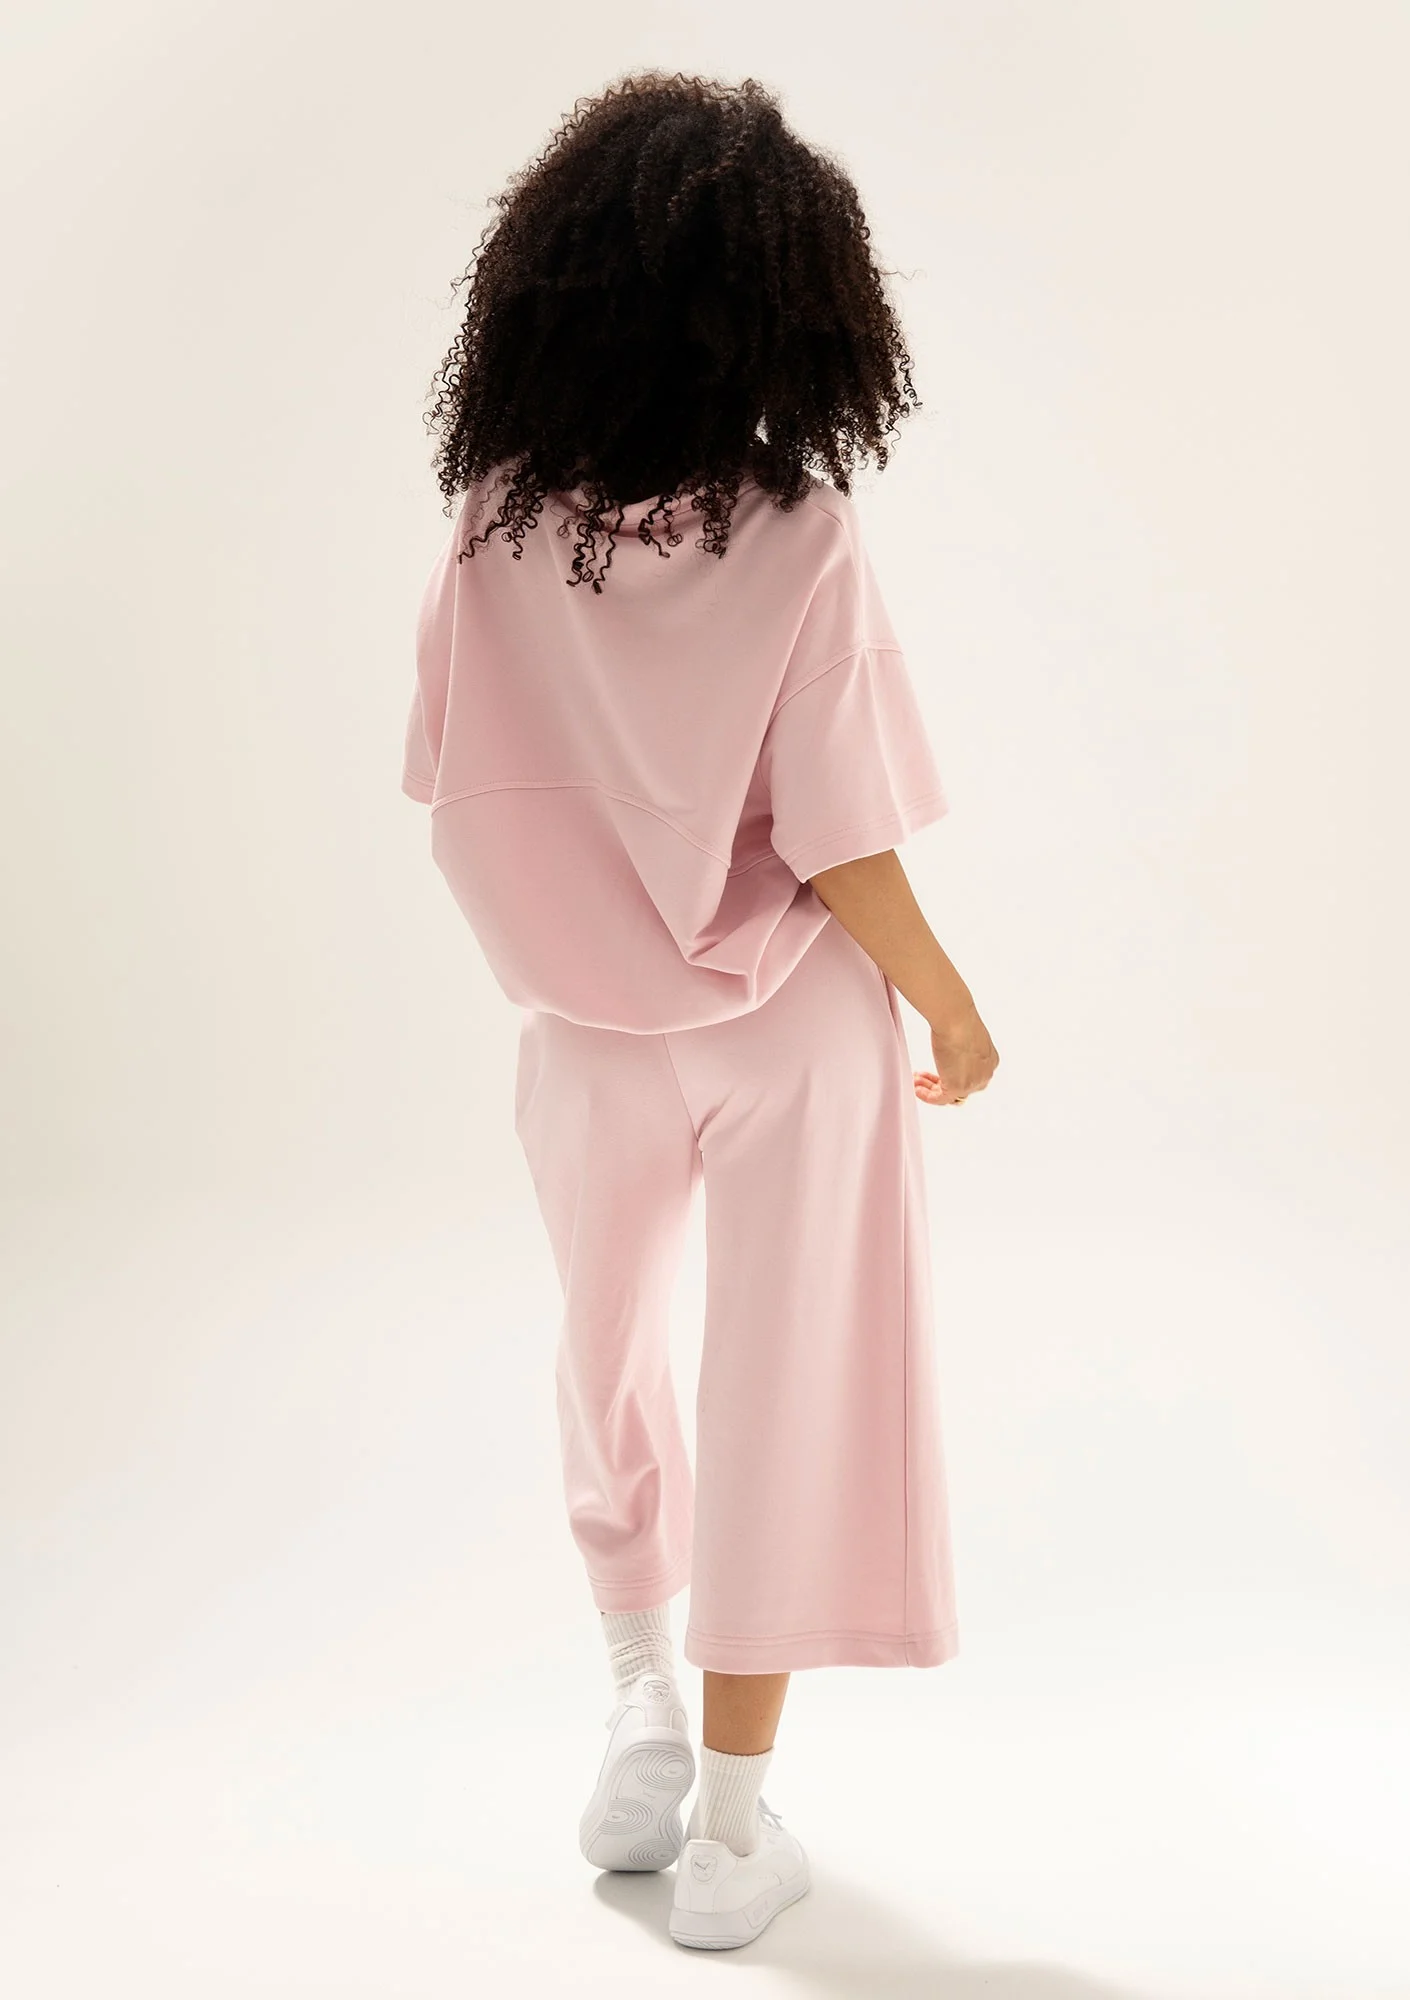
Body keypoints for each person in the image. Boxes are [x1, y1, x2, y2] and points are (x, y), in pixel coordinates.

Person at [401, 70, 999, 1951]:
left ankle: (637, 1702)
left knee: (610, 1360)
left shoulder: (492, 524)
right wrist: (950, 1003)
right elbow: (841, 840)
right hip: (791, 1026)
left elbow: (452, 784)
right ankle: (736, 1833)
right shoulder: (800, 535)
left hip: (581, 1031)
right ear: (792, 307)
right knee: (788, 1378)